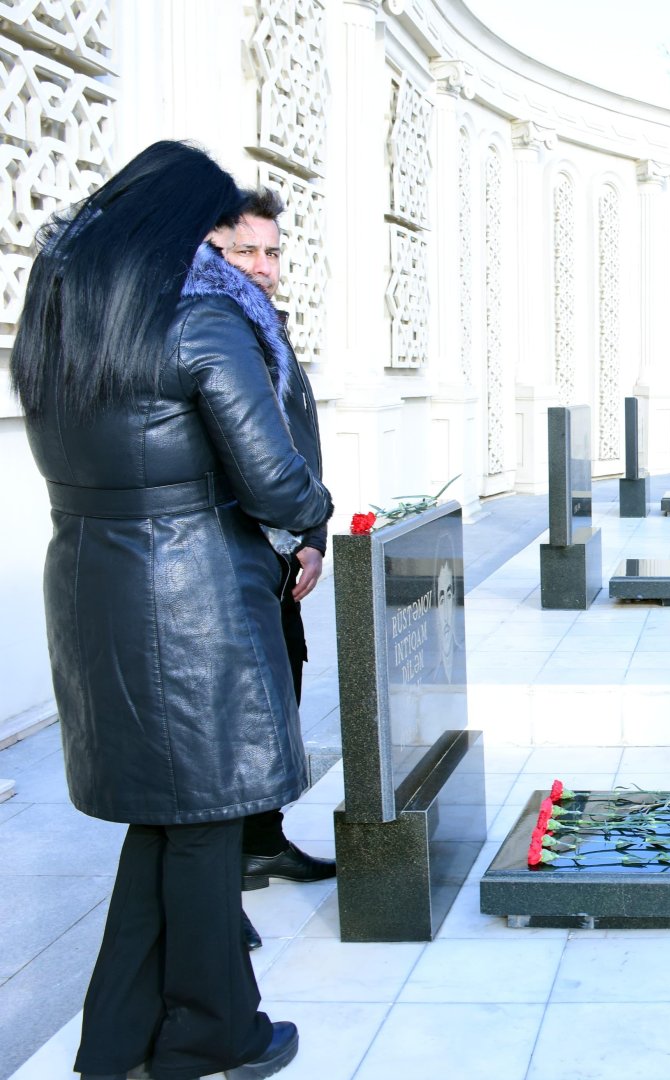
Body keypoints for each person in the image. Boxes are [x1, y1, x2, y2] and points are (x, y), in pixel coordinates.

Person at [13, 141, 329, 1079]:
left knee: (167, 821)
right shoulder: (198, 322)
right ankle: (211, 1034)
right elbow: (273, 479)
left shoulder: (62, 322)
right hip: (189, 600)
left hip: (91, 585)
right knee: (202, 824)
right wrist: (310, 521)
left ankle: (115, 1041)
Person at [216, 193, 338, 943]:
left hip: (282, 548)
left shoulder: (270, 329)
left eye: (272, 253)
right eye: (245, 253)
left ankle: (262, 839)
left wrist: (313, 532)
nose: (264, 268)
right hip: (229, 552)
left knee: (281, 690)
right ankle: (214, 879)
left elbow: (299, 440)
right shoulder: (211, 332)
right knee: (230, 715)